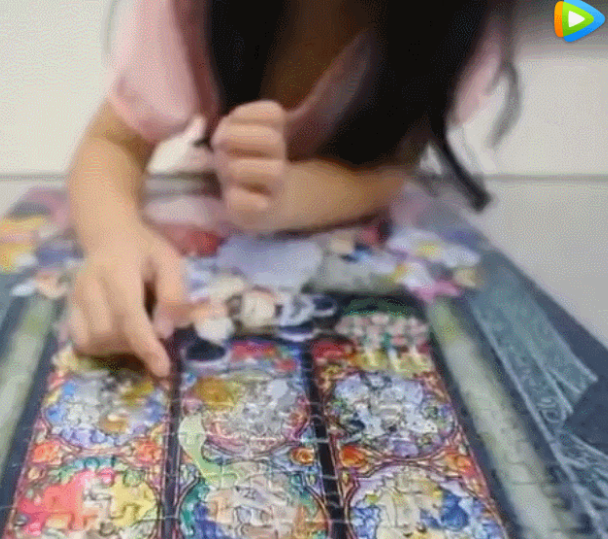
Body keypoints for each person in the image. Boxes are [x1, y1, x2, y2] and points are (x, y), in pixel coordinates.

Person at [66, 0, 518, 378]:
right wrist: (115, 238)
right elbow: (112, 144)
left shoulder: (466, 26)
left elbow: (392, 169)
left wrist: (291, 198)